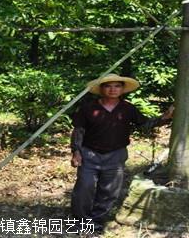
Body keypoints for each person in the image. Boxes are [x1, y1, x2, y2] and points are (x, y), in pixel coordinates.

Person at [70, 73, 174, 232]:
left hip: (116, 154)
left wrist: (165, 117)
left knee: (109, 190)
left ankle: (97, 221)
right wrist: (76, 151)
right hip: (89, 154)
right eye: (108, 86)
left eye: (117, 86)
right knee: (85, 187)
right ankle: (82, 222)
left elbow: (145, 124)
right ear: (101, 89)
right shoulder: (88, 108)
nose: (113, 89)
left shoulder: (128, 108)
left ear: (122, 89)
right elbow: (79, 130)